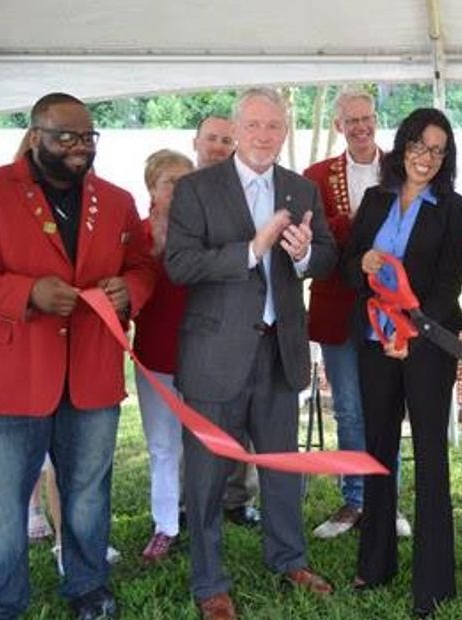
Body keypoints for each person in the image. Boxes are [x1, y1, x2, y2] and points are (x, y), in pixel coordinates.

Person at [0, 92, 157, 620]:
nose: (80, 147)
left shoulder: (116, 200)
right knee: (2, 502)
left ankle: (87, 587)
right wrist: (24, 292)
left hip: (91, 372)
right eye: (65, 136)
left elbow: (143, 266)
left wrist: (130, 289)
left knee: (88, 493)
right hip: (9, 376)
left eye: (88, 137)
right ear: (36, 137)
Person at [165, 87, 337, 620]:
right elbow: (179, 264)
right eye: (255, 125)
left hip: (279, 350)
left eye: (274, 126)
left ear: (284, 132)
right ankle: (209, 582)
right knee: (207, 476)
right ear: (236, 130)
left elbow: (328, 255)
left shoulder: (300, 189)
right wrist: (250, 250)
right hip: (215, 353)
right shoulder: (196, 188)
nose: (264, 135)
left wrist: (305, 256)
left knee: (282, 465)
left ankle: (289, 559)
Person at [341, 107, 462, 618]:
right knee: (378, 450)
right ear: (403, 148)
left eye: (437, 150)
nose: (426, 158)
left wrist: (410, 335)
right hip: (374, 344)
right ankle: (375, 564)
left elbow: (447, 286)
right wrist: (363, 262)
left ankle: (433, 583)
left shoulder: (456, 209)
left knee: (430, 454)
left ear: (446, 157)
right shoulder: (376, 201)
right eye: (419, 146)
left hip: (426, 348)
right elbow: (348, 269)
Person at [303, 89, 410, 540]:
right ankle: (355, 498)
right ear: (338, 126)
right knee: (348, 408)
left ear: (376, 120)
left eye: (367, 118)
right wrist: (360, 225)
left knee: (386, 406)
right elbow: (317, 235)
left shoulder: (402, 169)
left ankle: (387, 500)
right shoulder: (316, 175)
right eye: (352, 121)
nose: (361, 127)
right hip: (338, 305)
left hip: (389, 308)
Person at [188, 113, 263, 528]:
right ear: (195, 142)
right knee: (194, 426)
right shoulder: (185, 188)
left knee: (244, 419)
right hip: (195, 325)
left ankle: (236, 496)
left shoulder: (251, 187)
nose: (218, 146)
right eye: (211, 138)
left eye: (226, 139)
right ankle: (190, 504)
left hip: (244, 325)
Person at [132, 149, 195, 563]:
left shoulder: (205, 229)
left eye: (186, 181)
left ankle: (201, 515)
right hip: (156, 356)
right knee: (163, 444)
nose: (179, 189)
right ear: (152, 188)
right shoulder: (138, 234)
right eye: (171, 182)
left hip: (204, 356)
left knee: (203, 444)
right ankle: (165, 525)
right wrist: (153, 250)